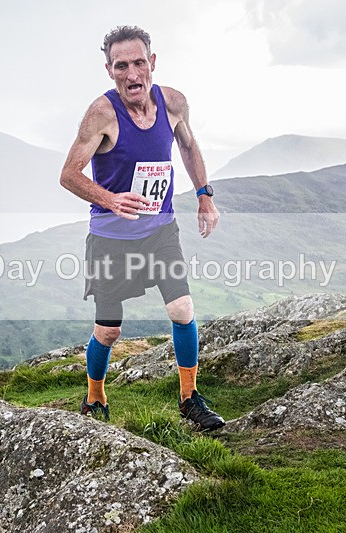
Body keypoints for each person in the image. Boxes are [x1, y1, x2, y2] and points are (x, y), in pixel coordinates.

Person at [60, 26, 225, 431]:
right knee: (109, 329)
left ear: (152, 62)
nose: (132, 74)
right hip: (111, 237)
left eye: (138, 63)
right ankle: (95, 397)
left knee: (182, 309)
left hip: (160, 231)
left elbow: (187, 145)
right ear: (109, 70)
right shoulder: (101, 113)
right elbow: (68, 175)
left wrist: (204, 195)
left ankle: (189, 399)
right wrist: (109, 199)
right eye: (121, 66)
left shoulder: (173, 103)